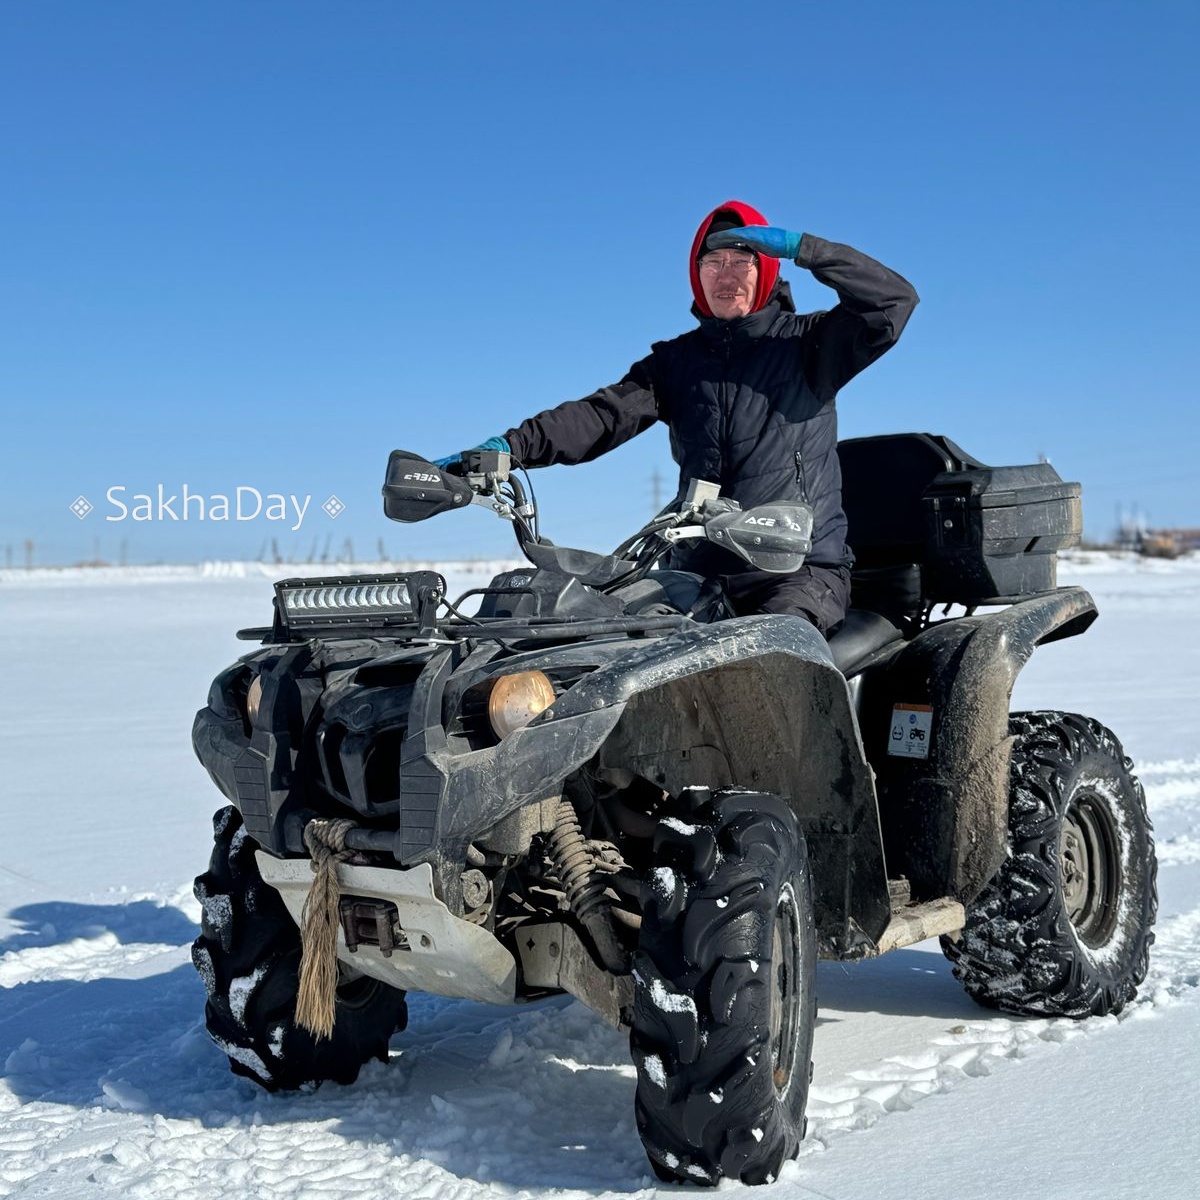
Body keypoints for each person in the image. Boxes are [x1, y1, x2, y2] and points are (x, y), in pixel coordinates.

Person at [435, 200, 918, 637]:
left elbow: (892, 301)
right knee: (599, 643)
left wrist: (805, 248)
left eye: (742, 260)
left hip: (797, 571)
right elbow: (601, 417)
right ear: (697, 274)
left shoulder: (809, 345)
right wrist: (510, 447)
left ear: (766, 268)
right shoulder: (677, 363)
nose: (727, 275)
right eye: (714, 262)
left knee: (769, 660)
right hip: (700, 571)